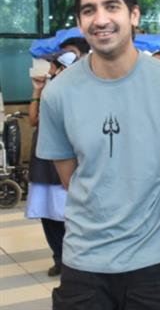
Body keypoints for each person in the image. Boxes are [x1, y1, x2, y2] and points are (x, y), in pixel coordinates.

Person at [36, 0, 160, 310]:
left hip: (157, 264)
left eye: (112, 6)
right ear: (81, 22)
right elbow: (71, 178)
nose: (100, 19)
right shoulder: (58, 94)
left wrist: (154, 222)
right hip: (84, 264)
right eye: (88, 10)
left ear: (134, 15)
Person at [26, 50, 78, 277]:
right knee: (47, 212)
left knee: (67, 213)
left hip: (65, 159)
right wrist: (37, 91)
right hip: (42, 159)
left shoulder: (76, 91)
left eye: (53, 66)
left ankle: (72, 260)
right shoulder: (49, 90)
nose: (49, 71)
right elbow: (33, 120)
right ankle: (59, 257)